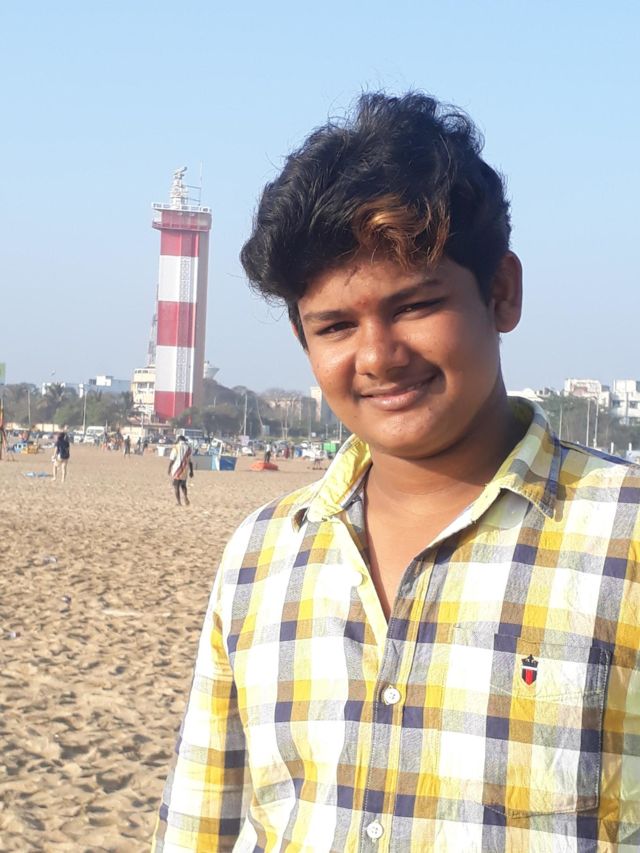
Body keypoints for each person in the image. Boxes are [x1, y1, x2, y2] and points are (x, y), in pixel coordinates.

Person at [153, 93, 639, 851]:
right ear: (304, 339)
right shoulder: (262, 556)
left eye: (414, 306)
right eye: (337, 326)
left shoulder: (625, 538)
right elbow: (199, 822)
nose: (378, 356)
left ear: (501, 293)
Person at [168, 435, 193, 506]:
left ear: (178, 440)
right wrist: (191, 471)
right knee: (183, 485)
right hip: (185, 469)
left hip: (177, 469)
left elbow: (172, 459)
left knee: (176, 486)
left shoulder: (176, 447)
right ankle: (185, 497)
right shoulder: (189, 448)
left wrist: (169, 468)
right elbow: (190, 461)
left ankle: (179, 502)